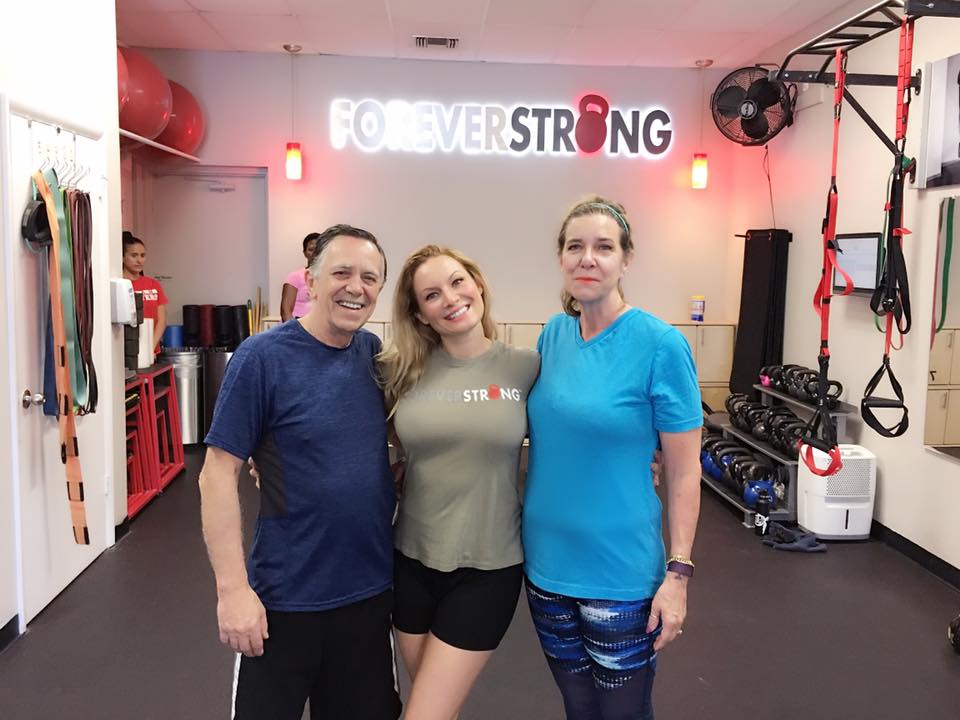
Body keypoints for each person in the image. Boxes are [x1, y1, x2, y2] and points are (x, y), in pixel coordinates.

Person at [198, 224, 401, 720]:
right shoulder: (262, 358)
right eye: (342, 273)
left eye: (370, 277)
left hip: (368, 597)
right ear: (310, 279)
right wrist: (232, 591)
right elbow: (216, 475)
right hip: (284, 601)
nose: (356, 287)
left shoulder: (374, 355)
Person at [522, 196, 702, 720]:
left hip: (619, 574)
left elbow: (684, 471)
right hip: (547, 569)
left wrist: (679, 574)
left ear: (626, 259)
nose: (587, 258)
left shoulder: (660, 344)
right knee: (578, 708)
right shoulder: (553, 335)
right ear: (561, 258)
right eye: (575, 246)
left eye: (604, 247)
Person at [378, 245, 540, 720]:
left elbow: (581, 420)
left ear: (477, 284)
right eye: (431, 295)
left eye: (457, 282)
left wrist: (647, 452)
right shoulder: (399, 370)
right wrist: (272, 458)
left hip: (487, 568)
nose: (450, 298)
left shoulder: (527, 367)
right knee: (437, 709)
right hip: (410, 562)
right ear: (420, 314)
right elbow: (342, 426)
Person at [122, 231, 167, 353]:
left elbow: (161, 320)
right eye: (134, 255)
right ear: (123, 257)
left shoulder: (153, 284)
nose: (139, 260)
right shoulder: (120, 285)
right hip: (126, 351)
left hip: (151, 351)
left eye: (142, 255)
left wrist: (149, 349)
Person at [280, 232, 320, 321]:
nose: (315, 253)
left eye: (318, 249)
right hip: (296, 325)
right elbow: (285, 312)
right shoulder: (295, 276)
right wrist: (295, 329)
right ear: (305, 253)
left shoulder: (331, 277)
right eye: (311, 250)